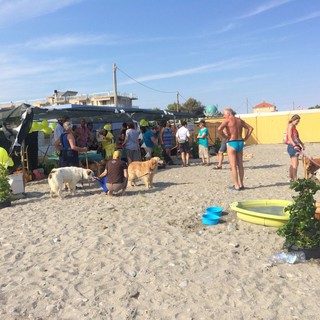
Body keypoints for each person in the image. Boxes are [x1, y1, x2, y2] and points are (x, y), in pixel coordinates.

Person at [218, 108, 253, 191]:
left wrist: (225, 137)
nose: (223, 116)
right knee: (240, 164)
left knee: (233, 166)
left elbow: (219, 129)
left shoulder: (227, 121)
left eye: (224, 114)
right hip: (240, 142)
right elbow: (250, 128)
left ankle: (236, 185)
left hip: (232, 142)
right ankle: (242, 184)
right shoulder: (239, 120)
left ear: (229, 114)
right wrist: (246, 138)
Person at [286, 114, 304, 182]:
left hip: (294, 146)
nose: (298, 123)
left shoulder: (294, 127)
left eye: (298, 121)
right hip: (292, 146)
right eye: (297, 121)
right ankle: (295, 179)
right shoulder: (290, 126)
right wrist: (294, 145)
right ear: (293, 120)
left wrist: (302, 144)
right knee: (295, 164)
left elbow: (297, 137)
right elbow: (290, 137)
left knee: (292, 163)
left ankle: (291, 178)